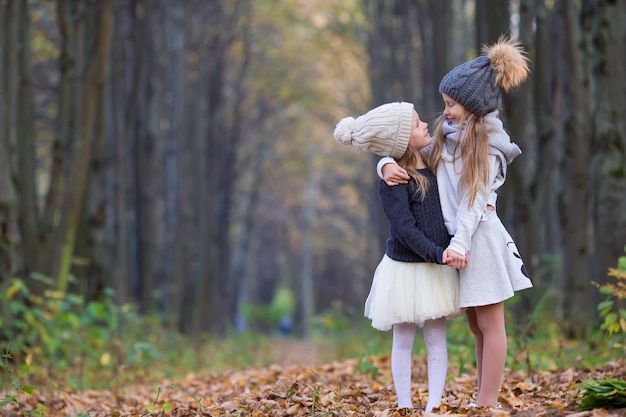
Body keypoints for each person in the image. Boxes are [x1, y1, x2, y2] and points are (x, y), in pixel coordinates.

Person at [378, 37, 534, 408]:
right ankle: (483, 397)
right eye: (446, 103)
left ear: (474, 106)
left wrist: (460, 244)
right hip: (457, 243)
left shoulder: (490, 147)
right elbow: (409, 153)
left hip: (478, 240)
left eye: (452, 105)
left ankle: (487, 402)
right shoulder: (448, 137)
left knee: (490, 322)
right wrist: (384, 163)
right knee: (475, 324)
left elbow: (474, 201)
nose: (445, 111)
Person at [333, 102, 467, 413]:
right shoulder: (393, 180)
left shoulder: (436, 161)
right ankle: (404, 405)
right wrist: (384, 164)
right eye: (417, 124)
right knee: (403, 341)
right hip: (406, 270)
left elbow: (455, 130)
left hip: (436, 268)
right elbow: (404, 229)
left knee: (436, 340)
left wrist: (382, 160)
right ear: (401, 140)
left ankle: (433, 406)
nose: (425, 126)